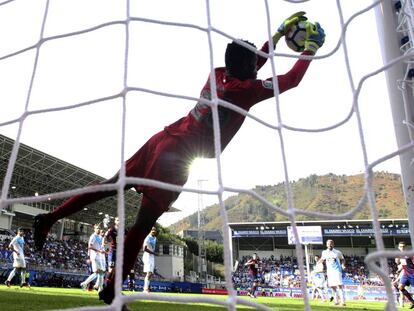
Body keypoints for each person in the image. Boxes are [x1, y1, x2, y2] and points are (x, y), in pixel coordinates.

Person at [32, 11, 325, 305]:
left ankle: (49, 218)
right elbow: (290, 80)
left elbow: (253, 62)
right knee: (142, 224)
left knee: (111, 184)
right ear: (246, 67)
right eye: (254, 65)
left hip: (163, 138)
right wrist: (309, 48)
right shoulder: (244, 90)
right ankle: (112, 287)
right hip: (177, 157)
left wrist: (275, 36)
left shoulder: (219, 73)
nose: (258, 68)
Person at [318, 239, 346, 306]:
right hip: (330, 272)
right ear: (326, 245)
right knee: (333, 287)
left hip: (337, 270)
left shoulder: (337, 252)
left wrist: (343, 265)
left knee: (339, 285)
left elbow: (342, 259)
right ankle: (336, 301)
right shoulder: (324, 252)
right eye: (328, 244)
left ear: (333, 244)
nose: (330, 245)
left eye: (331, 244)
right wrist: (318, 263)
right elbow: (322, 259)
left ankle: (342, 302)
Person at [80, 224, 106, 292]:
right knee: (101, 272)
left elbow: (99, 246)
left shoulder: (99, 236)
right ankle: (100, 288)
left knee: (97, 273)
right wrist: (97, 251)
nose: (98, 229)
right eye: (97, 228)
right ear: (94, 229)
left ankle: (84, 283)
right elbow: (90, 246)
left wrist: (102, 250)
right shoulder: (93, 236)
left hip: (98, 256)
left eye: (99, 228)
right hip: (95, 256)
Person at [394, 241, 414, 309]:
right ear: (398, 247)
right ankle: (412, 302)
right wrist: (399, 269)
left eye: (403, 246)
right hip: (405, 274)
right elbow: (404, 264)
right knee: (400, 287)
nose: (402, 248)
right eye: (400, 246)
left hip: (412, 274)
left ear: (406, 247)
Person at [142, 226, 158, 293]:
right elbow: (144, 249)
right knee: (149, 272)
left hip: (152, 256)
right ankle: (145, 289)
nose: (153, 231)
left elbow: (153, 247)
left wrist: (155, 252)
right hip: (147, 256)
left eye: (154, 230)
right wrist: (153, 253)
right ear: (150, 230)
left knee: (151, 273)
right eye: (152, 230)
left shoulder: (155, 238)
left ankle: (146, 287)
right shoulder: (147, 237)